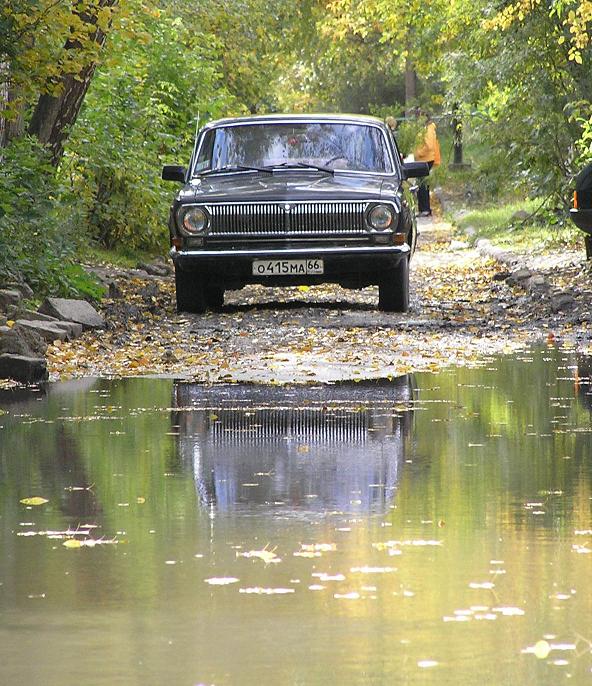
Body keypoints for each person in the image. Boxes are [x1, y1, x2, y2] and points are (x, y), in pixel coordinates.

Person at [413, 113, 441, 216]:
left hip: (425, 159)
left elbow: (429, 146)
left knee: (423, 185)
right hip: (425, 159)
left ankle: (425, 209)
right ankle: (423, 209)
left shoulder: (428, 129)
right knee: (422, 184)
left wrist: (419, 153)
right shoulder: (427, 128)